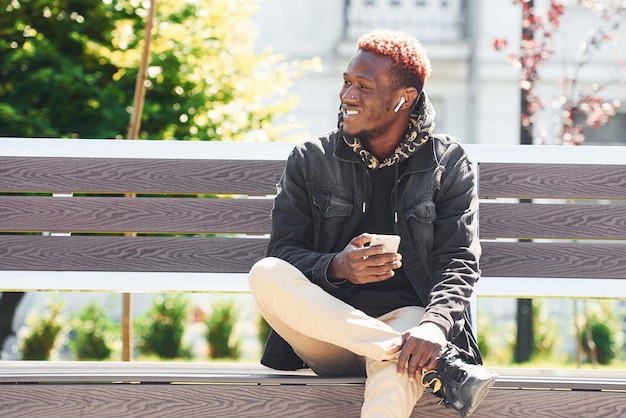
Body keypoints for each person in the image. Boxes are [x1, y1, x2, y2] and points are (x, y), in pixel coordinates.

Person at [248, 29, 496, 418]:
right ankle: (441, 366)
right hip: (327, 330)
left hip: (411, 322)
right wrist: (337, 267)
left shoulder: (447, 162)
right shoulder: (310, 158)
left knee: (404, 359)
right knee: (265, 273)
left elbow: (458, 261)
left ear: (403, 98)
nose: (347, 96)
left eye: (363, 86)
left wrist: (434, 328)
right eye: (346, 83)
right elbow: (282, 252)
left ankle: (422, 352)